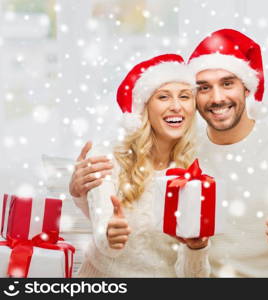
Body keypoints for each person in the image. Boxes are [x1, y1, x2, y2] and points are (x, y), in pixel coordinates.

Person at [71, 29, 268, 277]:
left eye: (227, 83)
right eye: (204, 88)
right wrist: (80, 191)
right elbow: (129, 202)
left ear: (247, 88)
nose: (216, 98)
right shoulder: (183, 148)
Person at [72, 54, 210, 277]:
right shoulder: (107, 158)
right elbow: (103, 231)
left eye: (184, 96)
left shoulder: (200, 170)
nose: (176, 106)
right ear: (144, 107)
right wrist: (109, 235)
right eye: (163, 97)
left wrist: (197, 248)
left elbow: (193, 277)